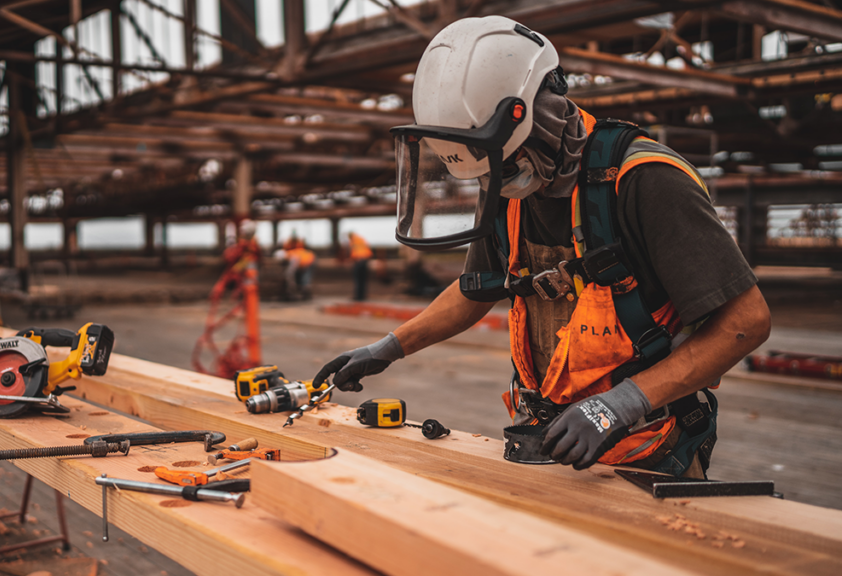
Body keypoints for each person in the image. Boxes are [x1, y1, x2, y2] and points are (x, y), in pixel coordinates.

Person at [314, 16, 770, 479]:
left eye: (507, 163)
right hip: (545, 439)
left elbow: (746, 322)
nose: (499, 181)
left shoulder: (644, 180)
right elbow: (477, 289)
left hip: (648, 447)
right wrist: (389, 347)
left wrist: (621, 404)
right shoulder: (504, 186)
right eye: (490, 171)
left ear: (540, 114)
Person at [347, 231, 373, 301]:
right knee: (363, 279)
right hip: (365, 259)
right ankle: (362, 296)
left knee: (358, 279)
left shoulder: (354, 241)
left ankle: (359, 296)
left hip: (359, 260)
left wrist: (354, 260)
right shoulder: (361, 239)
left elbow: (355, 251)